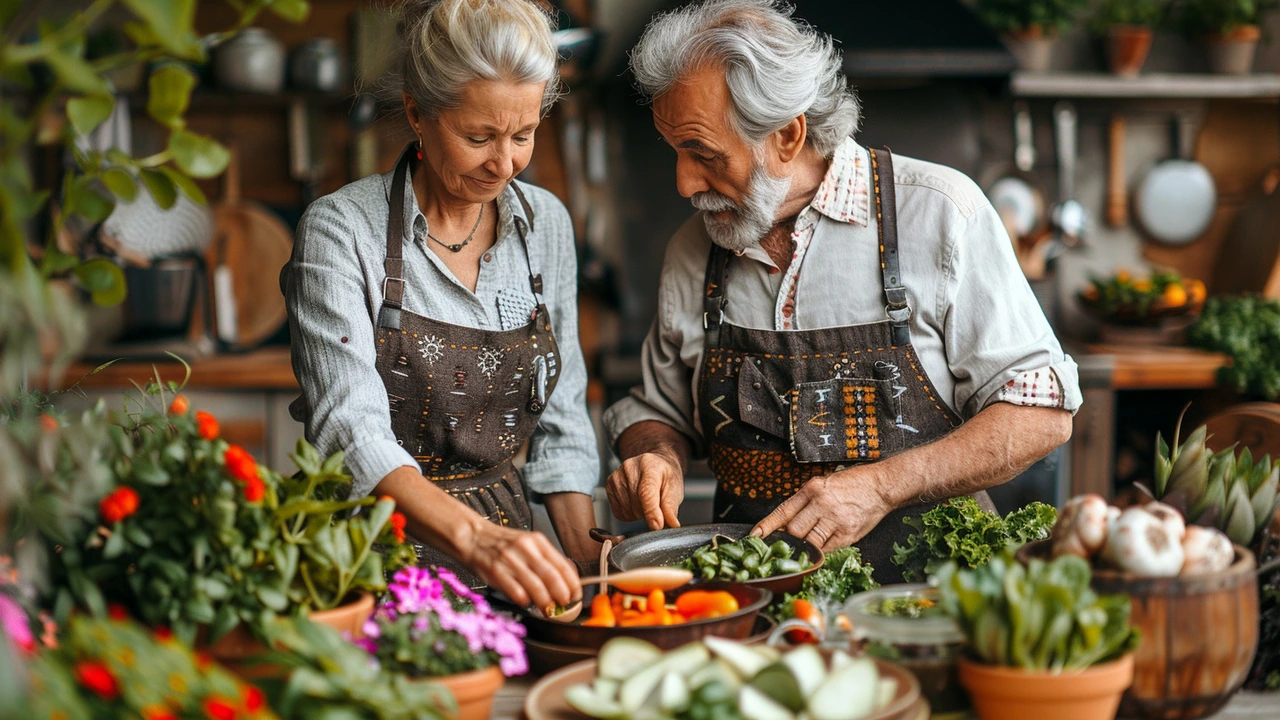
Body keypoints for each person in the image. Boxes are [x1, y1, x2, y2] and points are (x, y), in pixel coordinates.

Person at [603, 0, 1079, 583]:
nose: (683, 182)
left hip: (927, 602)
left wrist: (881, 487)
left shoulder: (937, 214)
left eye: (703, 153)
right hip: (751, 604)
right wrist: (655, 455)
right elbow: (658, 412)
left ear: (787, 134)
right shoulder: (693, 249)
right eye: (674, 151)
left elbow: (1040, 415)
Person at [282, 0, 599, 610]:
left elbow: (562, 420)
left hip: (508, 568)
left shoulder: (546, 227)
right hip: (365, 565)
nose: (504, 164)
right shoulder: (341, 231)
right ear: (417, 114)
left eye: (524, 135)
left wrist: (590, 575)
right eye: (479, 137)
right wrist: (477, 541)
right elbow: (350, 431)